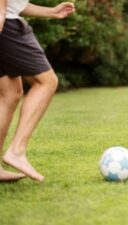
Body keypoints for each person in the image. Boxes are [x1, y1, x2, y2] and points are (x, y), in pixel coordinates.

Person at [0, 0, 75, 182]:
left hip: (6, 19)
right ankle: (17, 151)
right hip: (6, 24)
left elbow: (14, 4)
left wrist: (51, 12)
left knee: (10, 94)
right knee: (47, 82)